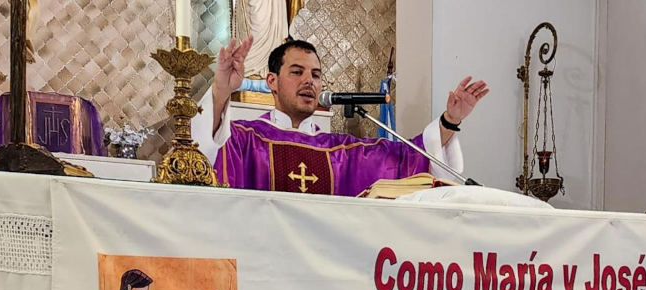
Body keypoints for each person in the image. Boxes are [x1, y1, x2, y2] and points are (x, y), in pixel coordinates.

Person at [192, 37, 489, 195]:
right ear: (271, 81)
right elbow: (203, 151)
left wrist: (450, 120)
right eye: (297, 72)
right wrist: (222, 88)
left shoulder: (340, 152)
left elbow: (408, 158)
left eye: (316, 75)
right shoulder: (245, 141)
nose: (309, 81)